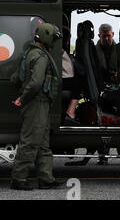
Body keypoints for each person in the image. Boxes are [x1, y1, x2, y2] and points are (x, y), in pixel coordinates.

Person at [9, 23, 64, 190]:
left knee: (42, 143)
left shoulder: (29, 53)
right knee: (31, 142)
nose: (54, 41)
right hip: (36, 103)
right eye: (53, 38)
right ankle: (18, 179)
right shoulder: (40, 57)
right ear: (46, 36)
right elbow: (35, 83)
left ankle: (46, 178)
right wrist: (23, 98)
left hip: (39, 104)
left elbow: (15, 78)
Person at [95, 23, 120, 164]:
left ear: (113, 35)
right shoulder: (94, 51)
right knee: (103, 123)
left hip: (118, 88)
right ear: (99, 36)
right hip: (102, 89)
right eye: (104, 36)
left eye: (108, 36)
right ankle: (103, 155)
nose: (106, 39)